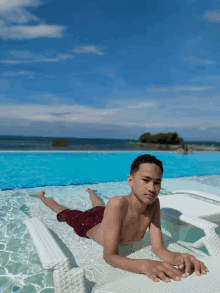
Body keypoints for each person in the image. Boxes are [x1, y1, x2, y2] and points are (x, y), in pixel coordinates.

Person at [29, 154, 208, 283]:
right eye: (145, 180)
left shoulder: (154, 204)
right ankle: (43, 196)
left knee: (99, 206)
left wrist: (179, 257)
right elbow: (110, 256)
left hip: (106, 218)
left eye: (157, 182)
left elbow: (158, 248)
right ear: (130, 181)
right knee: (64, 211)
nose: (152, 188)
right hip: (88, 225)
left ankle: (91, 193)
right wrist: (145, 265)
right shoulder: (117, 204)